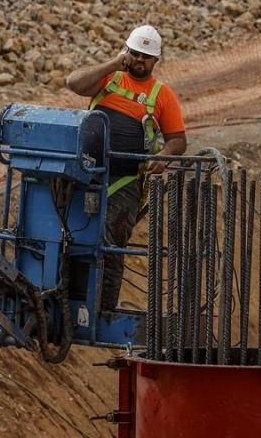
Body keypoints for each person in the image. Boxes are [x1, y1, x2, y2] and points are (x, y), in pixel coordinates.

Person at [64, 23, 187, 311]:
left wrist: (165, 155)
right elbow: (73, 83)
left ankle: (102, 308)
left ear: (155, 60)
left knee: (111, 239)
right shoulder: (108, 78)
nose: (138, 61)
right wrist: (113, 63)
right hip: (86, 172)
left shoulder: (162, 95)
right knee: (68, 232)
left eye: (145, 56)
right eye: (134, 54)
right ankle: (63, 296)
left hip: (125, 180)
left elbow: (178, 140)